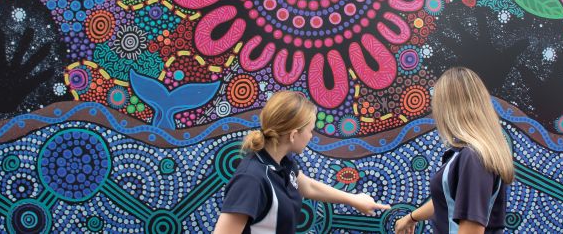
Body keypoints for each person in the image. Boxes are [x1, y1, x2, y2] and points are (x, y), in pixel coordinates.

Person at [214, 90, 391, 233]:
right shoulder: (251, 179)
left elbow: (307, 186)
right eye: (310, 130)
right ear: (293, 135)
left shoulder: (282, 163)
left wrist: (354, 199)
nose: (311, 136)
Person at [394, 67, 514, 234]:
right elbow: (447, 197)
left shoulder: (473, 158)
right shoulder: (465, 154)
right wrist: (411, 218)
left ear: (447, 108)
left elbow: (471, 229)